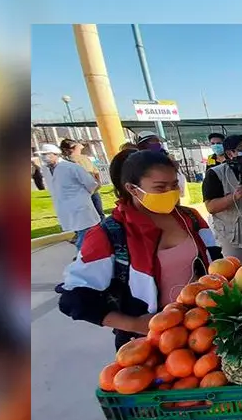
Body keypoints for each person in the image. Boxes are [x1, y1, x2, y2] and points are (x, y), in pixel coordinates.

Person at [58, 149, 222, 350]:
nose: (170, 193)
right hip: (148, 342)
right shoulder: (110, 234)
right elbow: (73, 297)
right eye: (160, 188)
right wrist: (135, 324)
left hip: (203, 328)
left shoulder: (190, 218)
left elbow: (216, 262)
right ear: (133, 189)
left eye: (173, 185)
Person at [37, 143, 100, 249]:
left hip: (80, 207)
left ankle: (83, 257)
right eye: (42, 155)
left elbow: (90, 183)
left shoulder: (71, 167)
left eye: (47, 154)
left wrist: (83, 197)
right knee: (81, 233)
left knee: (84, 235)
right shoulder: (46, 170)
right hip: (65, 208)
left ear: (56, 154)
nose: (44, 158)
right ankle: (85, 256)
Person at [136, 130, 190, 203]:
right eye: (154, 141)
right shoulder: (139, 160)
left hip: (174, 194)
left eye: (158, 141)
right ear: (143, 144)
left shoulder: (165, 155)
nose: (158, 143)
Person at [61, 138, 104, 219]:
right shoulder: (67, 162)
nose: (80, 148)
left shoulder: (83, 158)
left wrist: (98, 183)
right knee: (93, 215)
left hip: (91, 190)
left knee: (98, 214)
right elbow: (95, 172)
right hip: (83, 192)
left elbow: (95, 171)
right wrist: (98, 183)